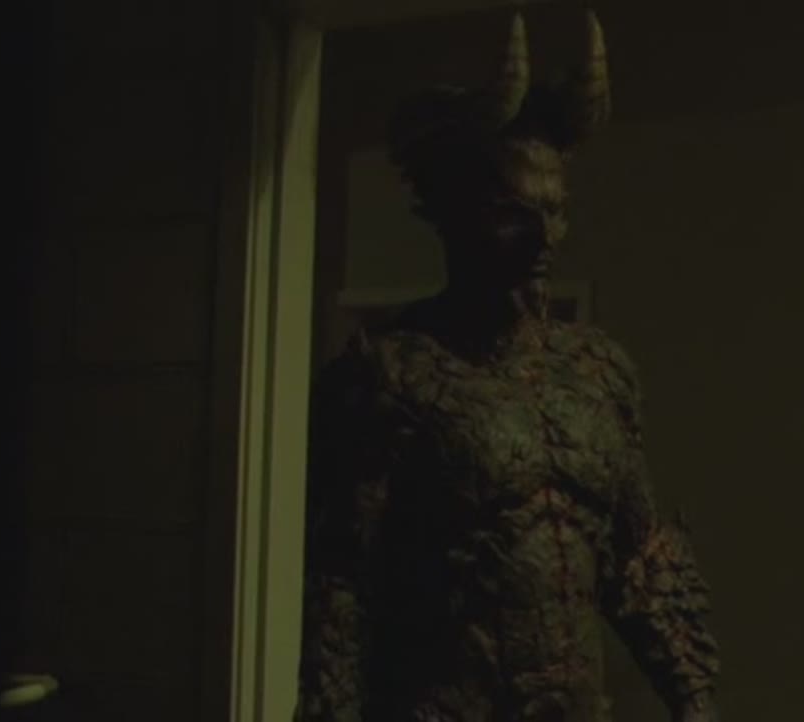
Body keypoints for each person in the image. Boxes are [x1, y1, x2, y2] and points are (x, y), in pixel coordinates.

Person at [296, 13, 721, 722]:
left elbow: (639, 558)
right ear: (452, 214)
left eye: (555, 211)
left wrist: (695, 698)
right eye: (513, 214)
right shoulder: (390, 376)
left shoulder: (597, 371)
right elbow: (342, 592)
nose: (543, 237)